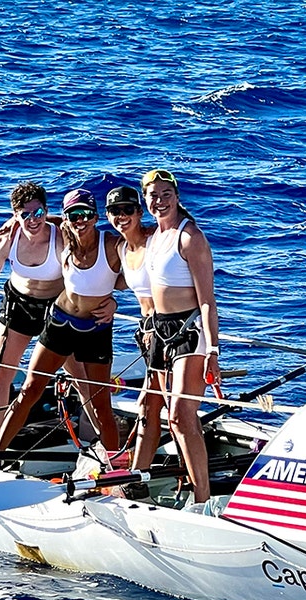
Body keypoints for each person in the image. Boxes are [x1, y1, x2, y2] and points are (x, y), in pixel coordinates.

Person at [0, 189, 123, 459]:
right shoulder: (64, 234)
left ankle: (117, 469)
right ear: (66, 219)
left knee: (101, 406)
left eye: (87, 214)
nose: (81, 220)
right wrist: (15, 222)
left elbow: (137, 271)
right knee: (29, 390)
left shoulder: (111, 244)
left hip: (96, 329)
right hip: (60, 323)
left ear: (97, 216)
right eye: (75, 215)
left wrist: (114, 302)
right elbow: (41, 220)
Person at [0, 181, 79, 450]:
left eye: (38, 213)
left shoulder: (61, 237)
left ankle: (91, 437)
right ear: (15, 216)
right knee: (0, 375)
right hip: (19, 307)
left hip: (55, 306)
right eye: (25, 215)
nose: (32, 220)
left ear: (46, 211)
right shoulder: (5, 241)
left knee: (79, 373)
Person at [140, 169, 220, 506]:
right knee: (165, 416)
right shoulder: (155, 237)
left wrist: (213, 350)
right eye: (152, 195)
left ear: (176, 195)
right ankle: (188, 484)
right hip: (160, 331)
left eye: (165, 194)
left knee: (180, 415)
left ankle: (204, 499)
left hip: (190, 333)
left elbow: (206, 300)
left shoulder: (190, 238)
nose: (159, 201)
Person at [105, 186, 164, 478]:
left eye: (129, 210)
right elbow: (116, 282)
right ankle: (138, 475)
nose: (122, 216)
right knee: (149, 406)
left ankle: (192, 482)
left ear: (140, 212)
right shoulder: (119, 248)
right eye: (115, 211)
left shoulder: (156, 239)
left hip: (172, 332)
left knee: (170, 409)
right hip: (148, 334)